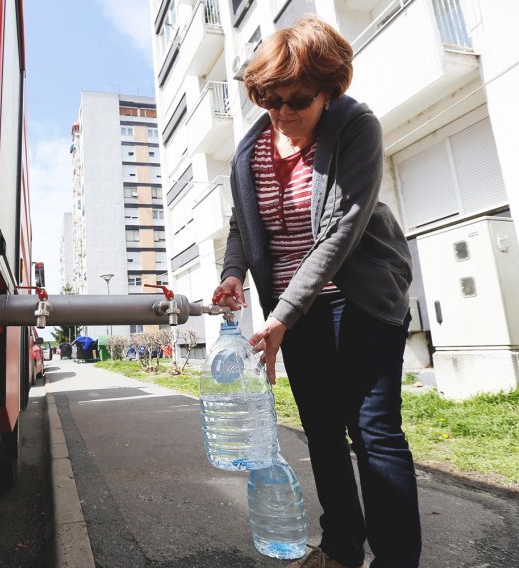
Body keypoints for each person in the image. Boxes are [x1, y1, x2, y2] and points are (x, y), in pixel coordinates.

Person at [212, 16, 421, 568]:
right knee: (323, 434)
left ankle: (397, 559)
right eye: (271, 100)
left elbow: (340, 235)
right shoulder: (251, 149)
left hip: (359, 301)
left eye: (298, 100)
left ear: (331, 90)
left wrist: (281, 315)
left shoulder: (356, 127)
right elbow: (243, 224)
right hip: (293, 313)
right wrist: (233, 272)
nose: (283, 113)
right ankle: (341, 552)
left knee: (373, 433)